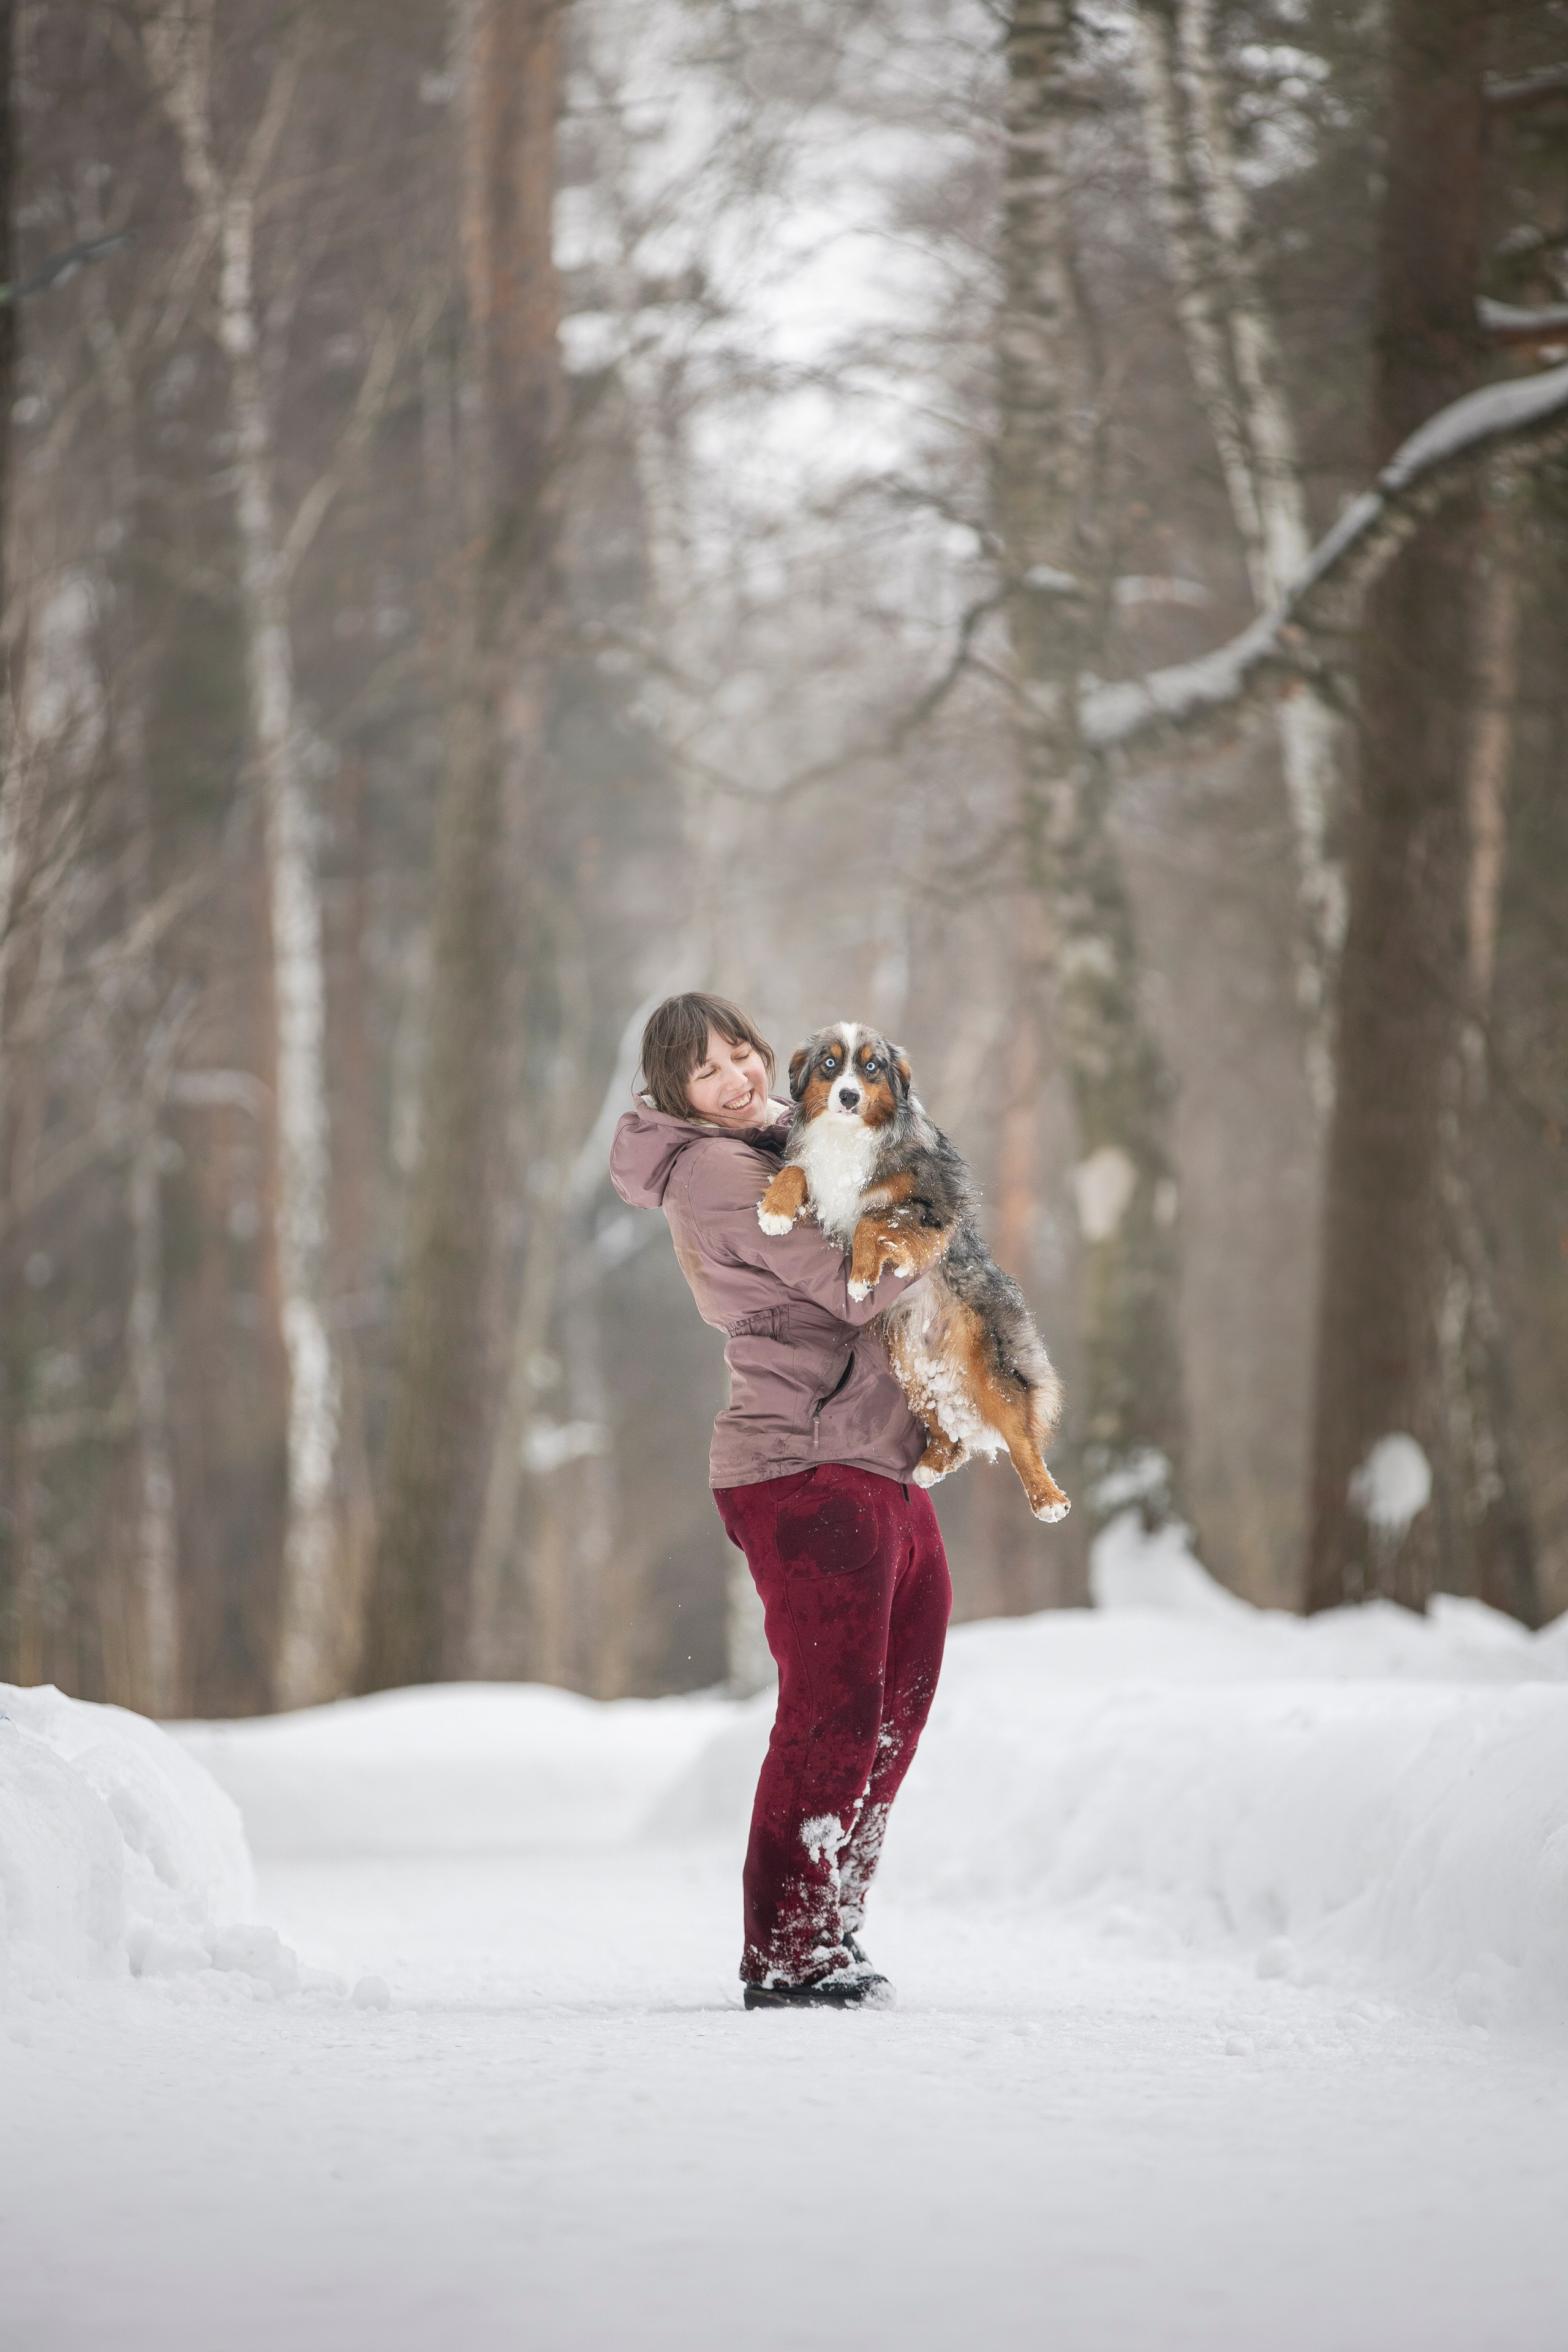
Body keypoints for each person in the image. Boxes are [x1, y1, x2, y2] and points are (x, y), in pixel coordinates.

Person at [609, 991, 952, 2010]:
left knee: (894, 1708)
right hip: (803, 1465)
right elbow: (850, 1285)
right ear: (677, 1095)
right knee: (834, 1712)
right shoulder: (716, 1171)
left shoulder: (787, 1144)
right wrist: (938, 1225)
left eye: (741, 1052)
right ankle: (789, 1947)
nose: (737, 1076)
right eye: (706, 1071)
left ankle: (833, 1919)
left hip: (874, 1456)